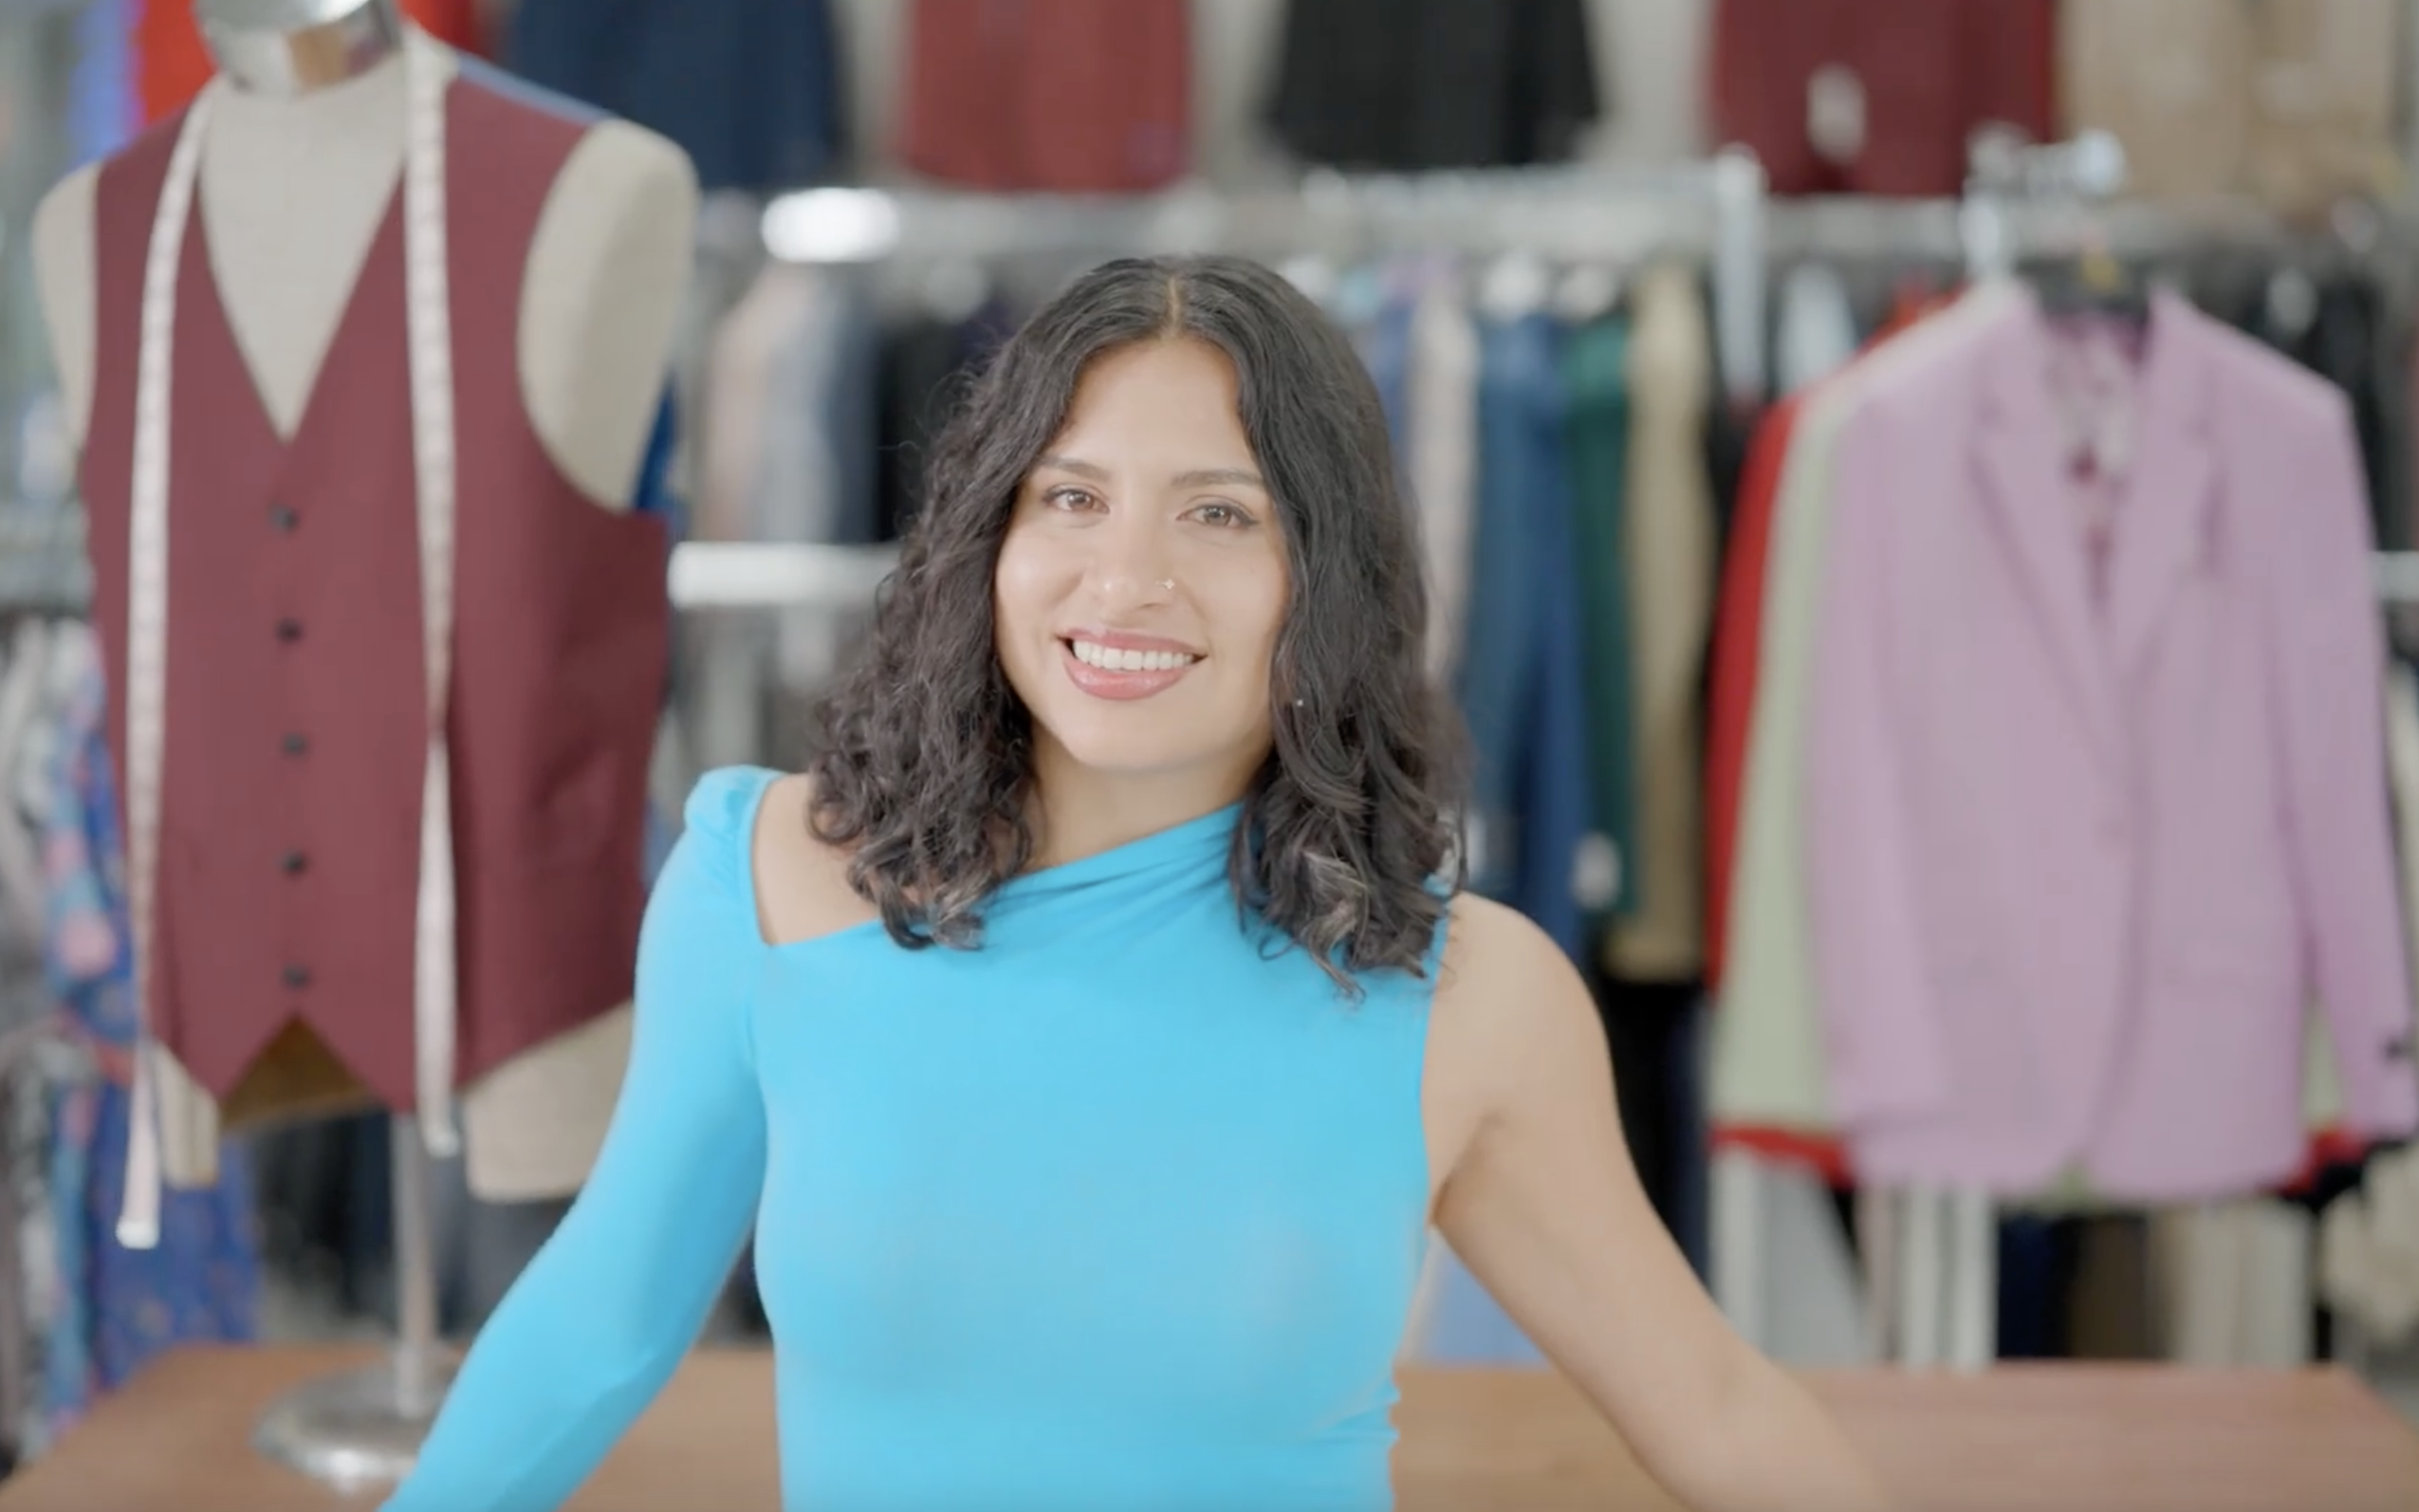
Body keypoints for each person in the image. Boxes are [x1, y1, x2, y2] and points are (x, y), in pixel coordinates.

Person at [381, 256, 1893, 1512]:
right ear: (990, 536)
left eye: (1219, 512)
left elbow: (1705, 1401)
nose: (1126, 579)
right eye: (1071, 497)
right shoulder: (764, 879)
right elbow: (595, 1325)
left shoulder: (1470, 994)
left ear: (1326, 577)